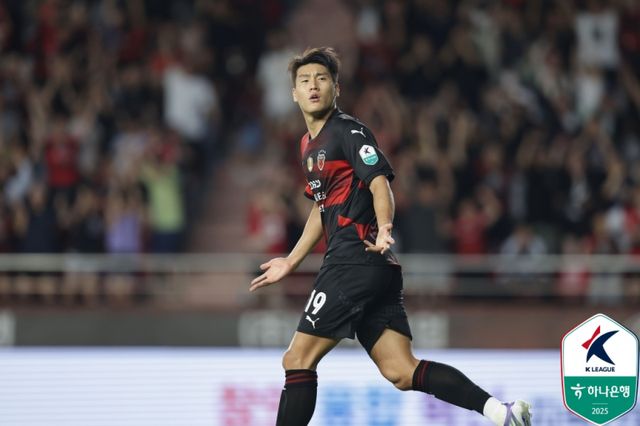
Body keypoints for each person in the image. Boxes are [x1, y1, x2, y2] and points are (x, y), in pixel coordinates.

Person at [249, 47, 532, 426]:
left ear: (336, 88)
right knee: (401, 370)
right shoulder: (307, 145)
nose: (313, 86)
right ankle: (502, 412)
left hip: (352, 260)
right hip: (374, 268)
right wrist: (291, 261)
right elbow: (321, 206)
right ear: (294, 94)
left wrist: (384, 226)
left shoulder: (348, 131)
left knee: (297, 359)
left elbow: (379, 182)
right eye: (305, 81)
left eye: (321, 79)